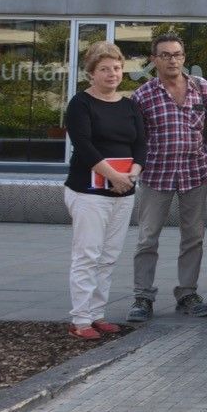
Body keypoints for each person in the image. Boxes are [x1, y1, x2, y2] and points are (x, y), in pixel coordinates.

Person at [127, 32, 207, 323]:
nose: (172, 60)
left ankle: (187, 293)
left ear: (184, 57)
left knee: (193, 237)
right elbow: (136, 138)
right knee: (147, 237)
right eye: (165, 55)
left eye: (177, 54)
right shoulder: (143, 95)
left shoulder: (201, 87)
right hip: (157, 175)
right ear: (154, 60)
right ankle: (143, 296)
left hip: (195, 173)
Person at [63, 41, 145, 339]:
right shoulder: (80, 104)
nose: (112, 74)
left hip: (123, 193)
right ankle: (81, 320)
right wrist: (113, 176)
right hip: (89, 193)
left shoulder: (130, 105)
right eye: (105, 69)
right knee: (87, 255)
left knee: (108, 256)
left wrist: (132, 174)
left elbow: (141, 145)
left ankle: (97, 314)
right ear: (91, 73)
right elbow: (84, 146)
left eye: (117, 68)